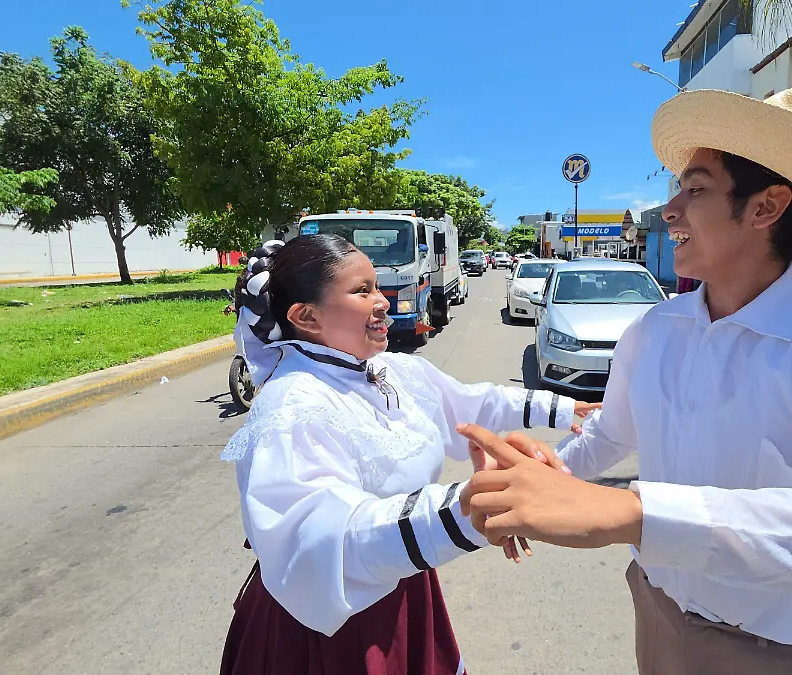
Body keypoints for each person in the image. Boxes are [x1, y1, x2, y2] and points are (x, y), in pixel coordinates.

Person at [459, 88, 792, 674]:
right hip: (656, 605)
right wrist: (539, 478)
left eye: (697, 189)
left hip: (774, 649)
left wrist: (632, 513)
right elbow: (611, 433)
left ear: (766, 208)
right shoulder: (654, 329)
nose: (670, 210)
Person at [219, 235, 597, 675]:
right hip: (334, 621)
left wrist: (565, 408)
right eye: (362, 291)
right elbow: (324, 535)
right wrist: (464, 509)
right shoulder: (291, 408)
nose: (382, 300)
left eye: (378, 286)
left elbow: (470, 404)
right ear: (307, 316)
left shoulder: (387, 369)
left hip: (402, 587)